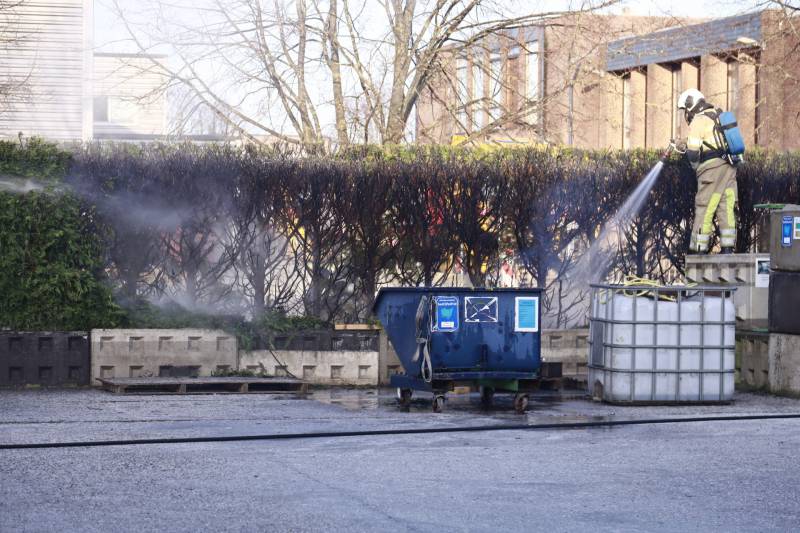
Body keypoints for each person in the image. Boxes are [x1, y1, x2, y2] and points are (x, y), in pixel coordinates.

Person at [674, 88, 738, 254]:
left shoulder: (698, 120)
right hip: (729, 167)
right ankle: (728, 248)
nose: (686, 114)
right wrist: (683, 142)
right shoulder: (717, 116)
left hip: (710, 170)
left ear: (691, 104)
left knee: (705, 206)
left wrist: (695, 168)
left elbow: (694, 151)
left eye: (685, 110)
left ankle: (699, 249)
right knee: (726, 205)